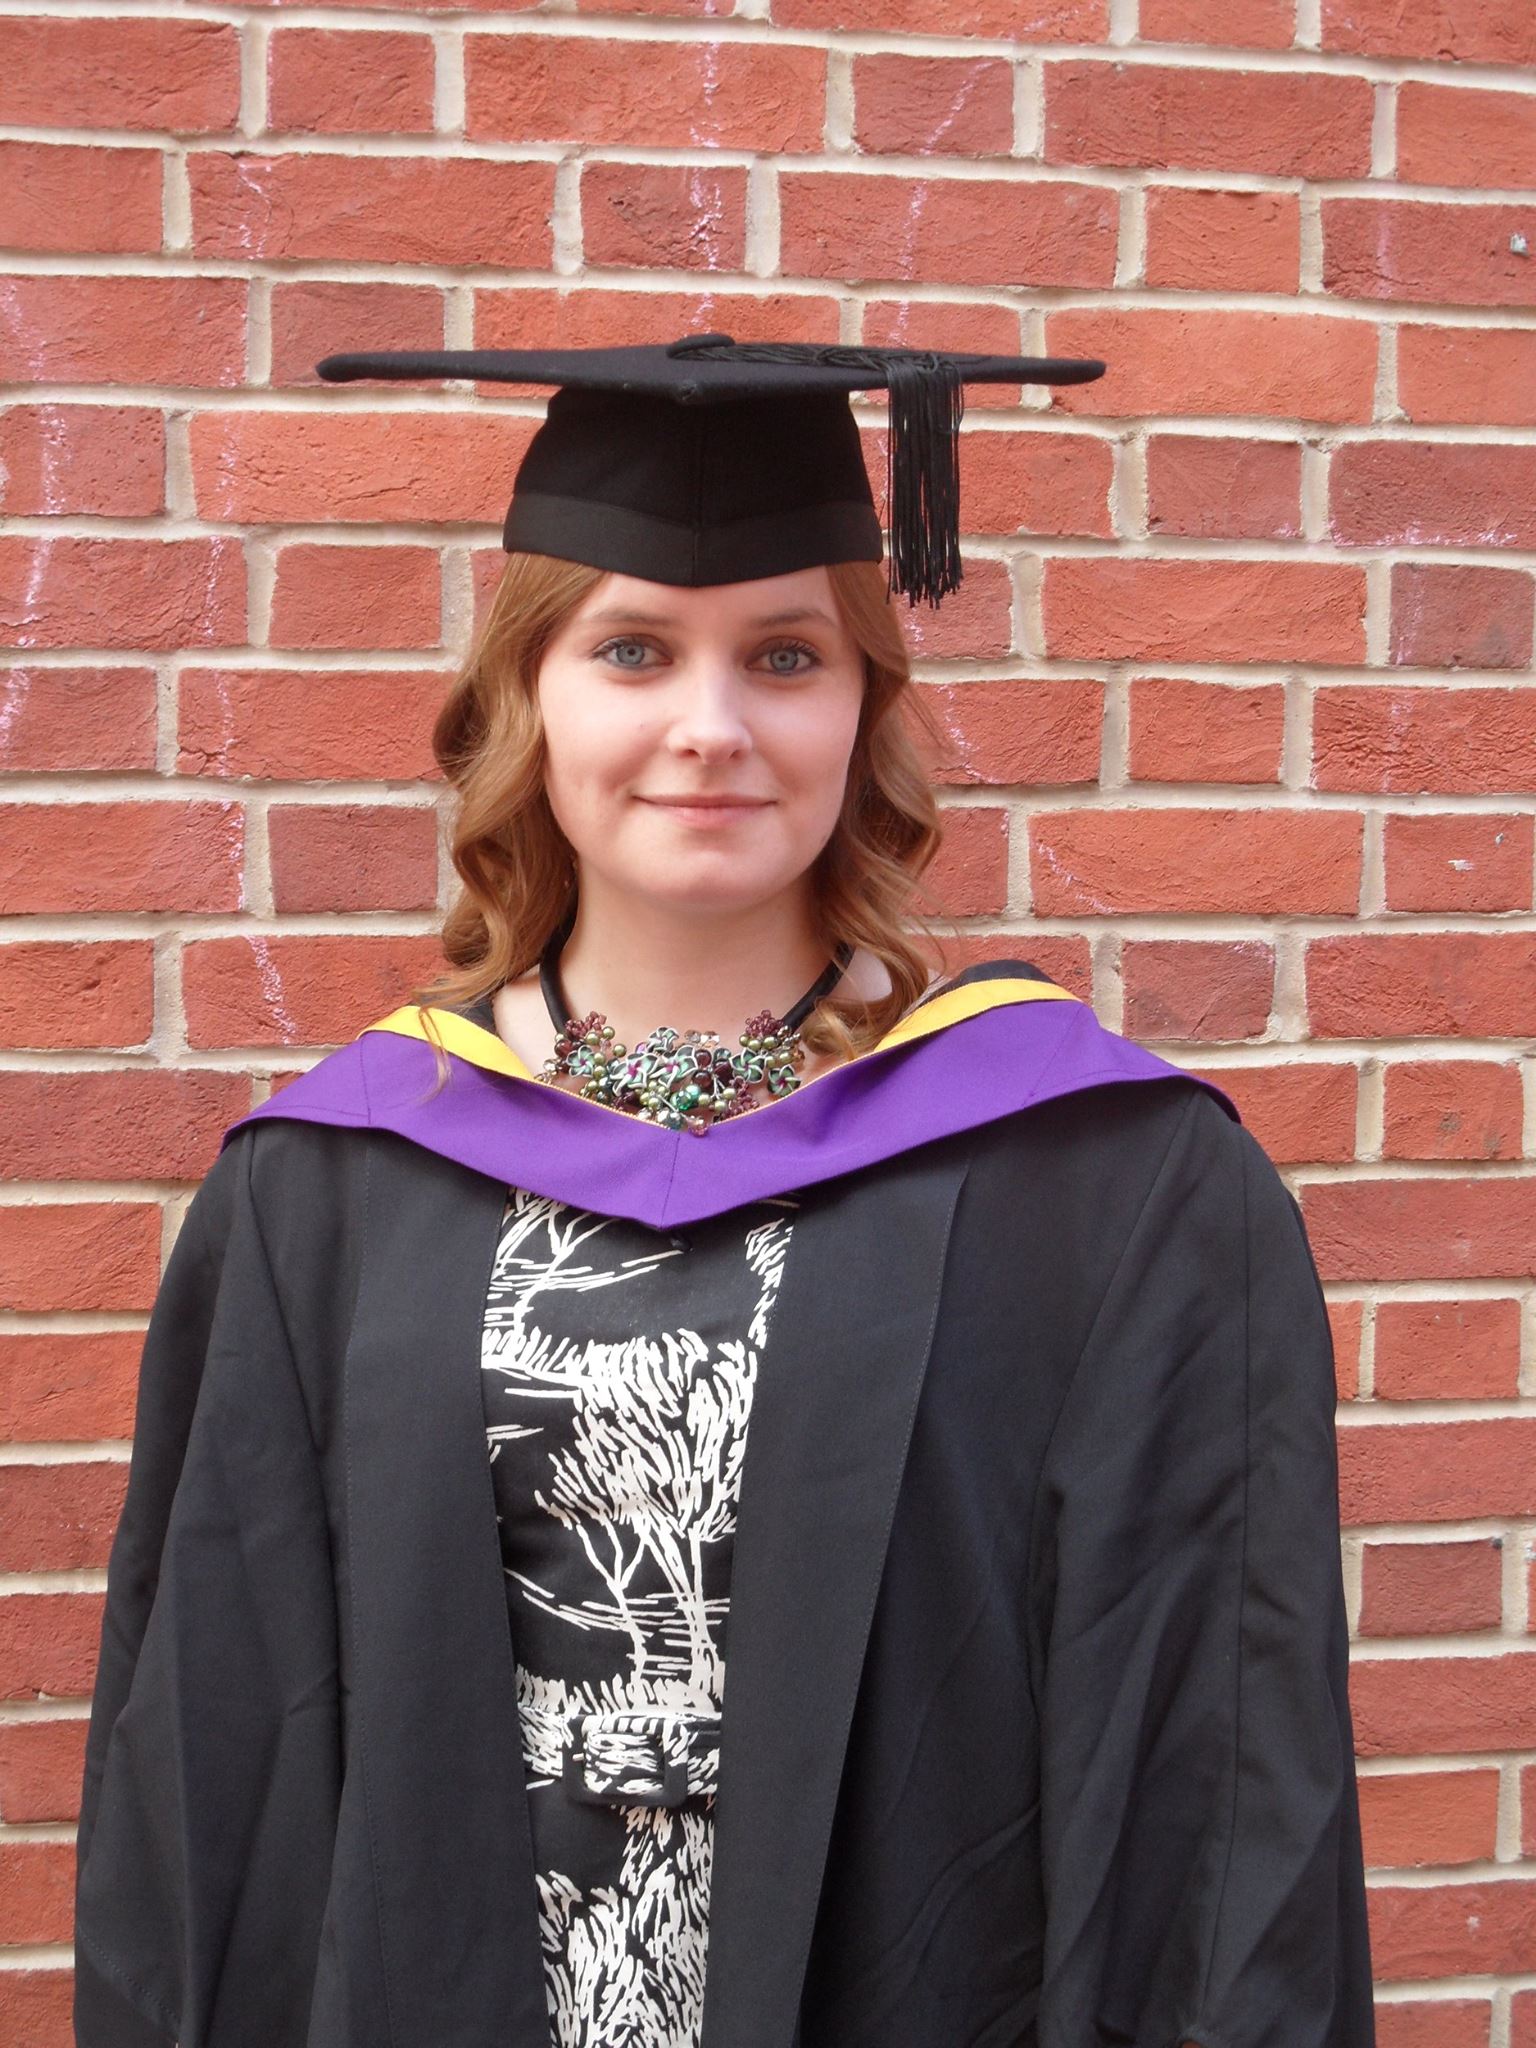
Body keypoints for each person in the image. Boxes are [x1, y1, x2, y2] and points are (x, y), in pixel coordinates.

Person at [72, 336, 1376, 2048]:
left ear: (861, 708)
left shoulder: (1111, 1186)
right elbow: (210, 1766)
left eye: (785, 655)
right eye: (632, 650)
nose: (712, 728)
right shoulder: (328, 1191)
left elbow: (1218, 1775)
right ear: (529, 700)